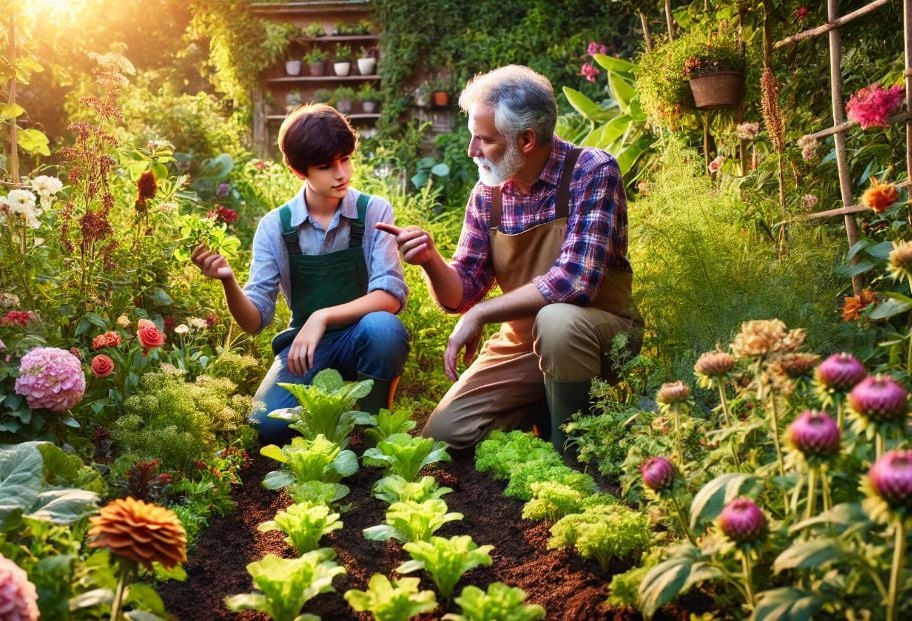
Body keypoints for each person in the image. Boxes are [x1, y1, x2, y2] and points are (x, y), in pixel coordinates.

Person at [378, 65, 641, 453]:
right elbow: (460, 296)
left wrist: (481, 314)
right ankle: (541, 403)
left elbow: (574, 282)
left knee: (557, 321)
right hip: (522, 344)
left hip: (597, 335)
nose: (472, 151)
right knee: (445, 436)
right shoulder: (489, 195)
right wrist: (431, 259)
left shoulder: (591, 171)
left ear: (527, 140)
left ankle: (574, 446)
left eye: (483, 140)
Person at [192, 103, 410, 444]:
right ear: (298, 171)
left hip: (362, 337)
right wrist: (228, 280)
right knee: (268, 427)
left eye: (345, 159)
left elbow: (390, 297)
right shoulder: (275, 227)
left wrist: (321, 316)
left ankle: (373, 423)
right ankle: (332, 414)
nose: (341, 173)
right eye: (326, 166)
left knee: (384, 328)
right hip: (307, 350)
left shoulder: (373, 211)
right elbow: (253, 321)